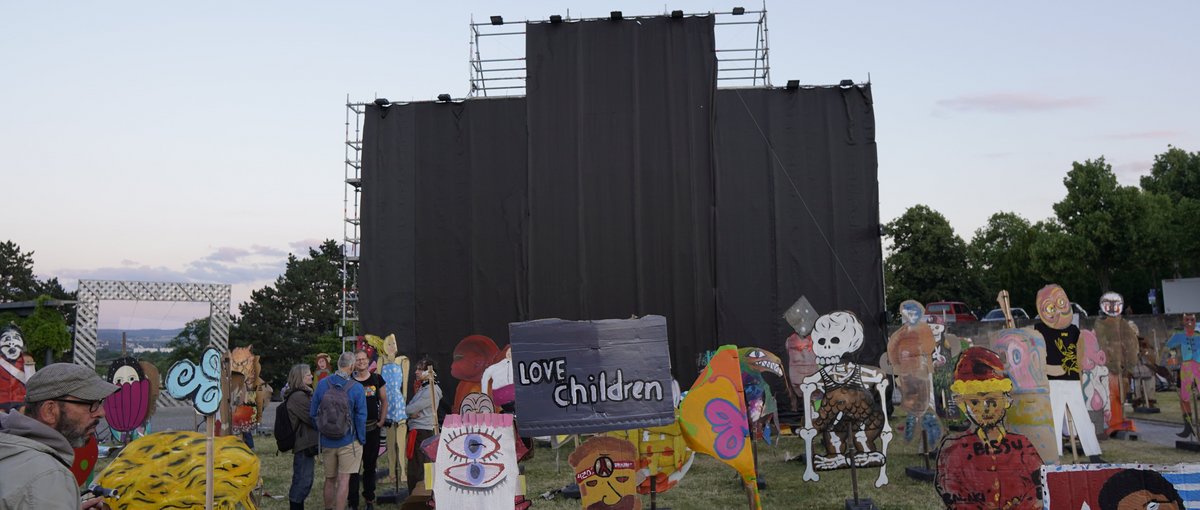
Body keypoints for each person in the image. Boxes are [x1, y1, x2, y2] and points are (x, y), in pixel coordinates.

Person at [935, 347, 1044, 509]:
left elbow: (1039, 486)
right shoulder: (954, 449)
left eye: (992, 401)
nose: (986, 408)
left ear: (1006, 401)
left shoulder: (1022, 446)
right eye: (975, 402)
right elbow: (952, 491)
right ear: (963, 405)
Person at [0, 362, 118, 509]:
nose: (101, 413)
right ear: (50, 411)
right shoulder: (49, 476)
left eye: (100, 403)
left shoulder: (10, 447)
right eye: (91, 403)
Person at [311, 352, 367, 510]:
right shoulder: (356, 388)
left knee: (329, 480)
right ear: (351, 366)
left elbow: (313, 413)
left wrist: (322, 429)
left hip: (327, 441)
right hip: (349, 440)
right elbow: (361, 417)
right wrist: (361, 439)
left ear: (337, 365)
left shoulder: (322, 384)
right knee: (344, 480)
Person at [348, 350, 387, 510]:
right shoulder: (350, 381)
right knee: (353, 468)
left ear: (368, 360)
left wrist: (381, 421)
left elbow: (384, 401)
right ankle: (353, 501)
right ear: (354, 363)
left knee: (370, 466)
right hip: (354, 432)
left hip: (372, 429)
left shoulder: (376, 379)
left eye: (363, 359)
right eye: (358, 360)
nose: (361, 362)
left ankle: (369, 499)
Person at [406, 357, 443, 493]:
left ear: (429, 372)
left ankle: (421, 497)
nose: (416, 372)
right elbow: (411, 409)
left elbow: (410, 409)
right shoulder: (424, 388)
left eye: (420, 369)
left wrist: (407, 412)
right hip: (418, 430)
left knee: (420, 468)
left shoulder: (431, 391)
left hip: (423, 432)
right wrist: (410, 412)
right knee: (415, 466)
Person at [284, 364, 318, 510]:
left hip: (306, 442)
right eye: (308, 375)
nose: (311, 376)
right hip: (303, 443)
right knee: (302, 481)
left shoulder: (304, 394)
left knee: (304, 481)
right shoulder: (298, 397)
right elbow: (313, 418)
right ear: (300, 378)